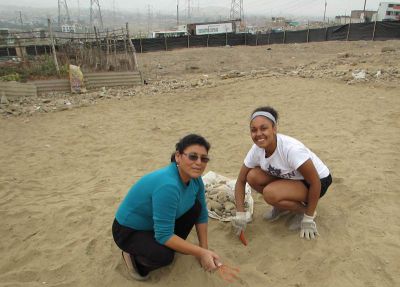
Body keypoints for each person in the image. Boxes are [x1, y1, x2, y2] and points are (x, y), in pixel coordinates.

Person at [112, 134, 221, 281]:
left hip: (153, 224)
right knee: (164, 256)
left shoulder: (195, 179)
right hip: (129, 230)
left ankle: (163, 244)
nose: (199, 163)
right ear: (178, 156)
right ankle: (132, 257)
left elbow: (201, 214)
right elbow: (163, 235)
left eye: (204, 158)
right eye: (193, 156)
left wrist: (205, 249)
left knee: (196, 207)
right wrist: (200, 253)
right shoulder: (168, 185)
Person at [232, 106, 332, 240]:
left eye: (264, 128)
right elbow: (241, 180)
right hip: (292, 178)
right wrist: (240, 213)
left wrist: (308, 218)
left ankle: (304, 212)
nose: (258, 134)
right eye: (253, 130)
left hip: (318, 182)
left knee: (270, 193)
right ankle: (281, 207)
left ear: (274, 129)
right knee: (252, 176)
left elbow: (315, 182)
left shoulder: (291, 149)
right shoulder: (256, 149)